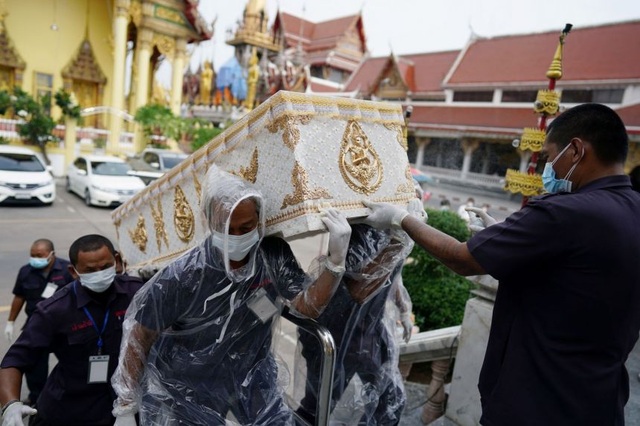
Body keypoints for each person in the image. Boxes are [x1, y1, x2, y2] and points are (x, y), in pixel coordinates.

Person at [362, 103, 640, 425]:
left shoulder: (566, 212)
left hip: (539, 399)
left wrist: (400, 218)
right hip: (599, 398)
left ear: (576, 150)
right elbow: (573, 268)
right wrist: (503, 236)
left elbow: (462, 259)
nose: (545, 168)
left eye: (549, 158)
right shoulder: (632, 208)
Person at [111, 166, 352, 425]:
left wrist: (335, 263)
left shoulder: (271, 255)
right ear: (208, 221)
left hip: (252, 371)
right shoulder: (183, 275)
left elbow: (305, 308)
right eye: (226, 228)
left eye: (245, 227)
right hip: (187, 383)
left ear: (259, 221)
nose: (236, 236)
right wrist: (126, 407)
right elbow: (140, 336)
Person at [0, 234, 144, 426]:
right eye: (90, 270)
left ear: (116, 261)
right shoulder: (54, 311)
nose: (99, 274)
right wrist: (10, 404)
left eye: (105, 267)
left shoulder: (137, 293)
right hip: (70, 407)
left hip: (127, 405)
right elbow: (14, 361)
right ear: (74, 271)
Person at [296, 224, 414, 425]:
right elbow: (359, 289)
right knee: (318, 406)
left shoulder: (395, 234)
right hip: (339, 334)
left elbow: (394, 276)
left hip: (371, 332)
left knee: (391, 401)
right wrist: (399, 240)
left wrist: (404, 308)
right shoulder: (364, 231)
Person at [4, 239, 74, 407]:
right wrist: (10, 322)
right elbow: (19, 297)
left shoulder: (67, 270)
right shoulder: (25, 271)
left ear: (52, 255)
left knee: (73, 361)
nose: (35, 258)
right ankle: (37, 399)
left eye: (39, 255)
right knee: (34, 365)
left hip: (64, 325)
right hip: (37, 325)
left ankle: (72, 397)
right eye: (32, 255)